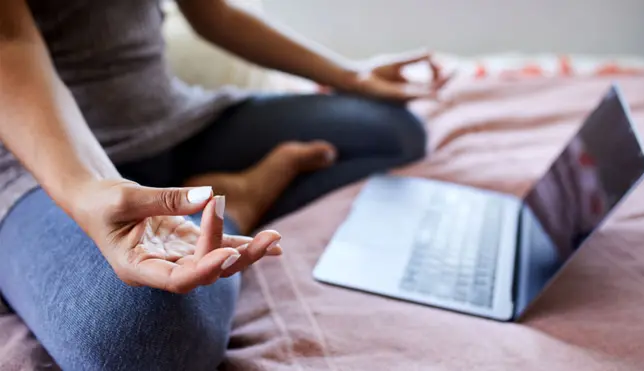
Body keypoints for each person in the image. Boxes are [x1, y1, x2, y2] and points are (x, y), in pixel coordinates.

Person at [0, 0, 447, 370]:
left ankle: (206, 198)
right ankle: (236, 202)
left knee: (393, 133)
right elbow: (10, 41)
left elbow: (211, 11)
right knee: (137, 345)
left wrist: (350, 76)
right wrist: (89, 188)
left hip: (177, 122)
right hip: (39, 171)